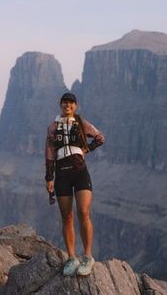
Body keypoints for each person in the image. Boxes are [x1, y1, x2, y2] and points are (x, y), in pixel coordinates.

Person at [45, 92, 105, 277]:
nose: (68, 105)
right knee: (67, 217)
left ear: (75, 106)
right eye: (65, 102)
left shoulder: (82, 123)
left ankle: (87, 256)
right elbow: (49, 153)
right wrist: (49, 178)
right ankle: (72, 257)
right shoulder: (53, 127)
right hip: (62, 174)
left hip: (80, 172)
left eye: (71, 103)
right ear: (61, 105)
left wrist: (87, 149)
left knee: (84, 212)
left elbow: (100, 137)